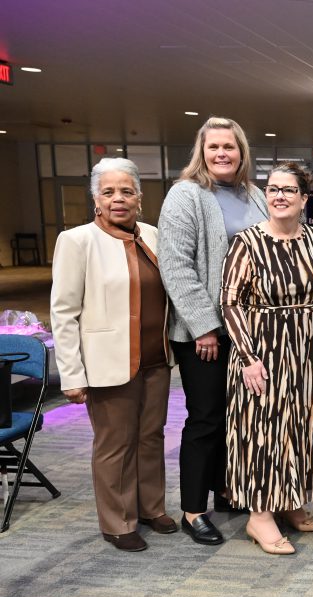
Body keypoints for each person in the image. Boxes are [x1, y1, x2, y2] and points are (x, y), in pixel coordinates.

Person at [51, 158, 174, 552]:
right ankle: (118, 520)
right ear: (95, 200)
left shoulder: (154, 236)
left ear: (140, 197)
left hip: (156, 358)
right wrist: (71, 374)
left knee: (151, 437)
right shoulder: (77, 241)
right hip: (108, 363)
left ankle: (151, 507)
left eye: (126, 191)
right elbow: (64, 313)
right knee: (115, 442)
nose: (118, 199)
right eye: (108, 192)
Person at [220, 162, 313, 555]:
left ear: (304, 198)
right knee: (264, 432)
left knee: (304, 425)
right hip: (264, 352)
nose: (279, 196)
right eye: (273, 189)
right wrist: (248, 357)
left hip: (310, 351)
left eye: (289, 190)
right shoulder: (247, 242)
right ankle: (259, 515)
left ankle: (290, 499)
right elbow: (230, 301)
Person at [159, 116, 268, 545]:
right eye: (213, 147)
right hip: (203, 333)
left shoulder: (254, 195)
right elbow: (176, 266)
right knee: (205, 418)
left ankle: (226, 490)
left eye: (230, 147)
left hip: (247, 330)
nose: (222, 154)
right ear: (201, 153)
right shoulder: (185, 195)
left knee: (237, 416)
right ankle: (192, 509)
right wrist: (204, 325)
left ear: (242, 152)